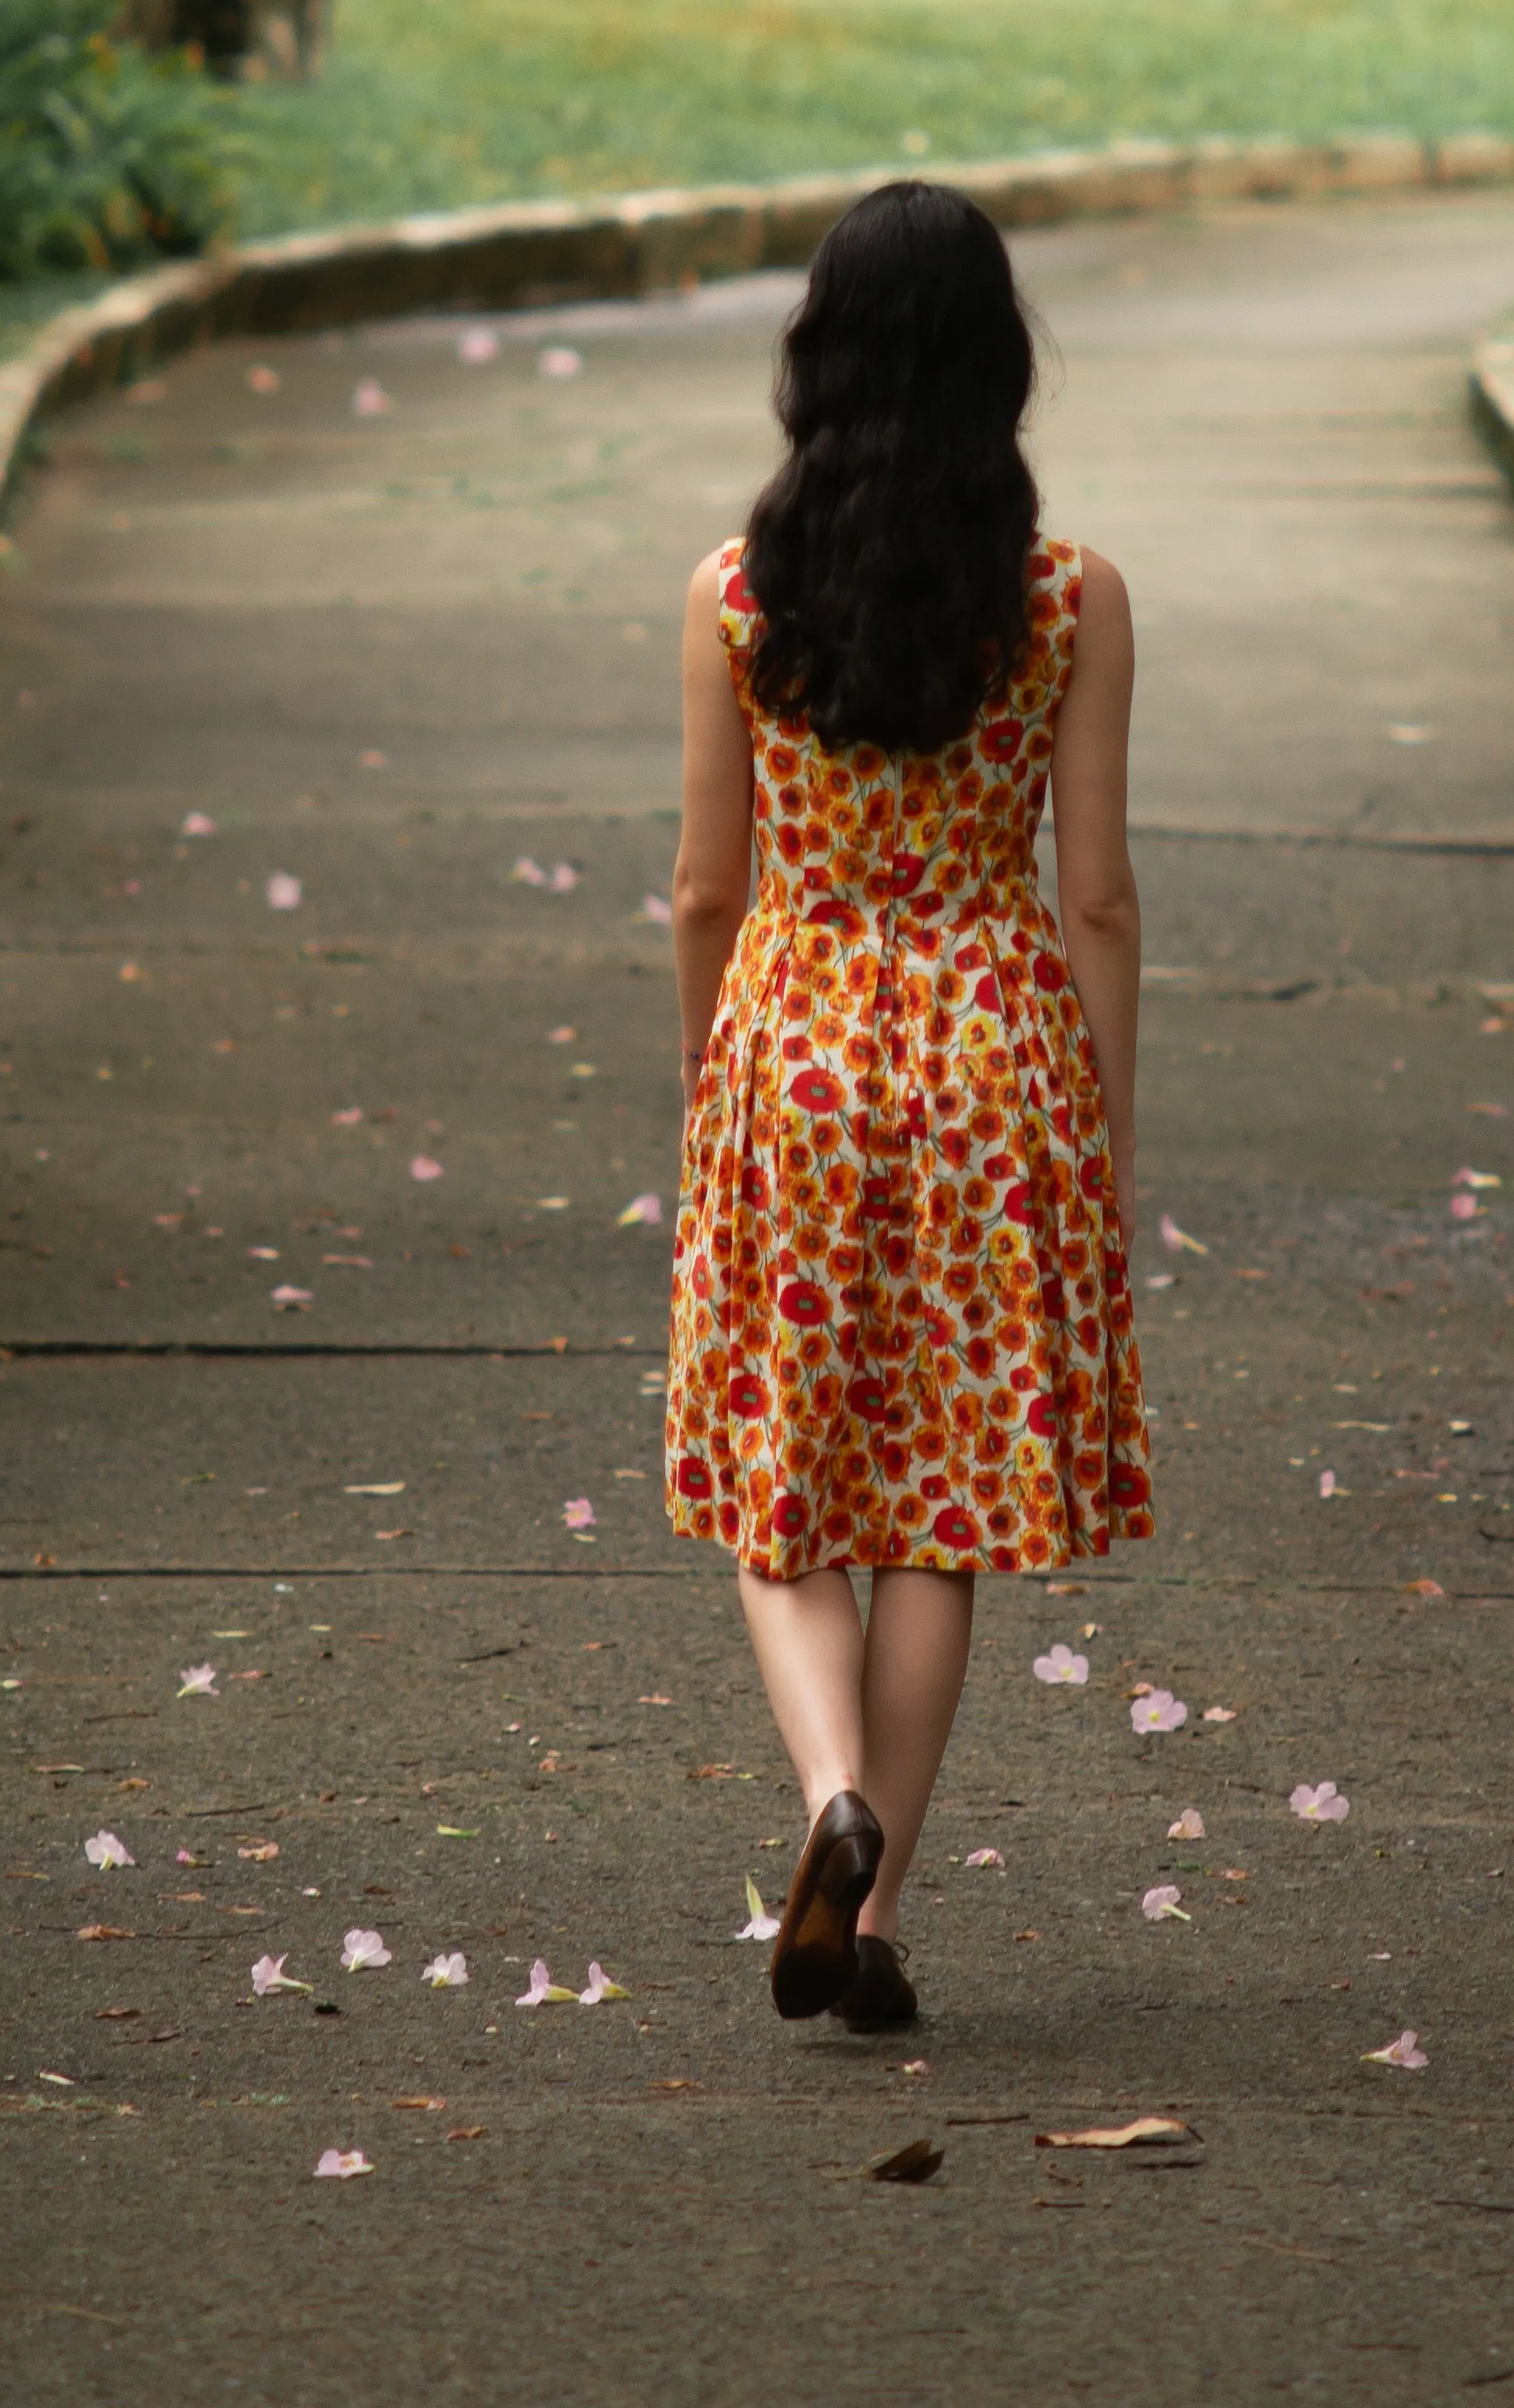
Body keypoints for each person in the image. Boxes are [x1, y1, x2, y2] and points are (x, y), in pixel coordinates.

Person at [663, 180, 1150, 2033]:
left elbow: (707, 887)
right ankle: (865, 1923)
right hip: (992, 1057)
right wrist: (1096, 1129)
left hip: (793, 1043)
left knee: (781, 1498)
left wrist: (716, 1087)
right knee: (935, 1510)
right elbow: (1094, 892)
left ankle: (826, 1805)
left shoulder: (734, 596)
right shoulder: (1065, 598)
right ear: (999, 366)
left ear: (817, 358)